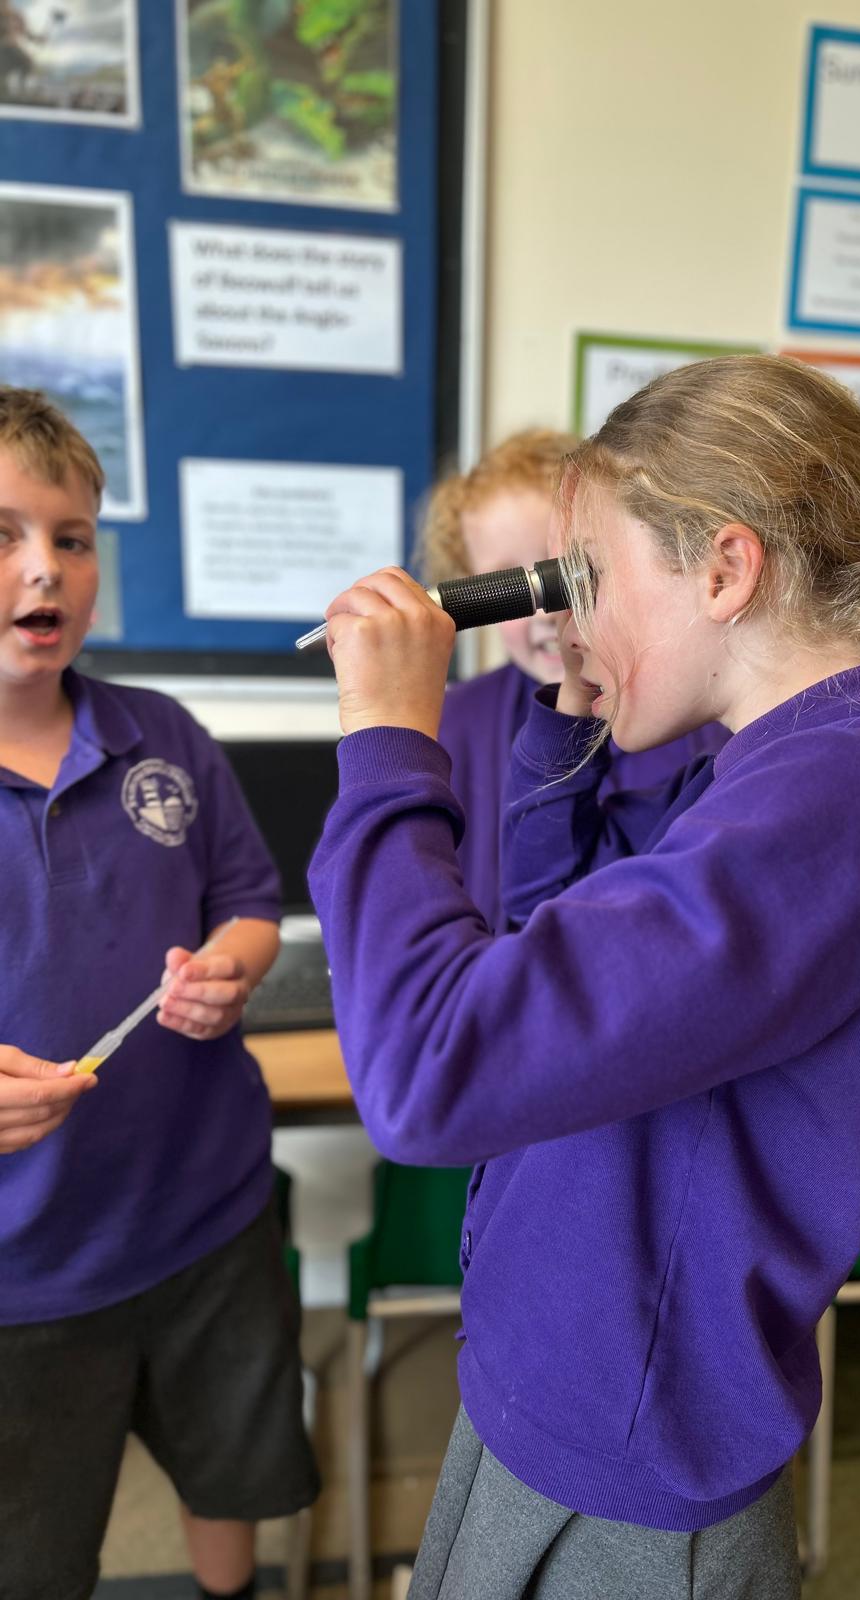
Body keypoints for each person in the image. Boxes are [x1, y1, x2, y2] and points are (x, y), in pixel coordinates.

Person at [309, 355, 860, 1598]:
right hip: (576, 1386)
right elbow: (553, 946)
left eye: (589, 579)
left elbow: (430, 1071)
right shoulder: (790, 768)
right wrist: (564, 723)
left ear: (726, 569)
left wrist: (385, 743)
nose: (568, 622)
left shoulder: (833, 797)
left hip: (628, 1449)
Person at [0, 388, 317, 1600]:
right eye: (5, 535)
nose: (47, 566)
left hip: (207, 1223)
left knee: (228, 1477)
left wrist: (231, 965)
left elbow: (247, 901)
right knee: (35, 1550)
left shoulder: (164, 736)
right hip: (24, 1274)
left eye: (72, 537)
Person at [420, 427, 724, 929]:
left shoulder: (692, 711)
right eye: (506, 588)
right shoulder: (451, 724)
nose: (545, 611)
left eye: (566, 573)